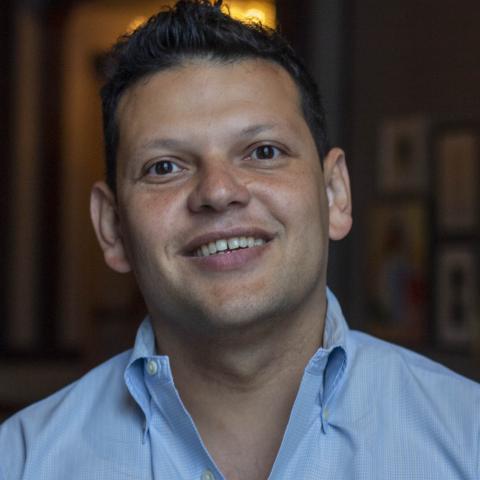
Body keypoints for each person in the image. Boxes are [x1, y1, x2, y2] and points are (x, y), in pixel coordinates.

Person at [1, 1, 479, 479]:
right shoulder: (21, 460)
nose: (218, 191)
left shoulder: (467, 438)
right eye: (164, 166)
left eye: (263, 152)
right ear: (112, 227)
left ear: (335, 193)